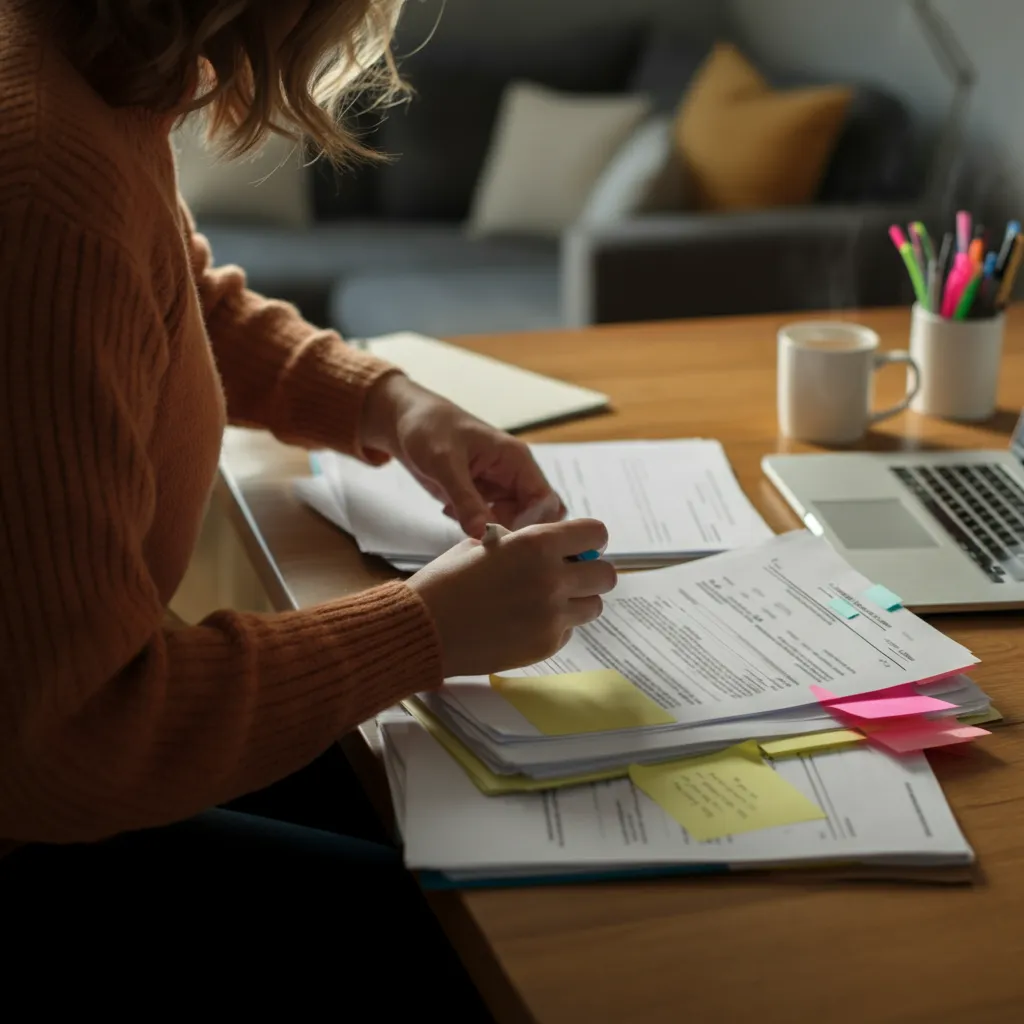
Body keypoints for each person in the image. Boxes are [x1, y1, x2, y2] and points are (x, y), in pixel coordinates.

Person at [0, 0, 616, 1005]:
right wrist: (426, 626)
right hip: (39, 823)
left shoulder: (78, 74)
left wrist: (387, 401)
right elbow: (66, 735)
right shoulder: (38, 183)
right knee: (529, 937)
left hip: (64, 775)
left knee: (475, 809)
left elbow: (170, 294)